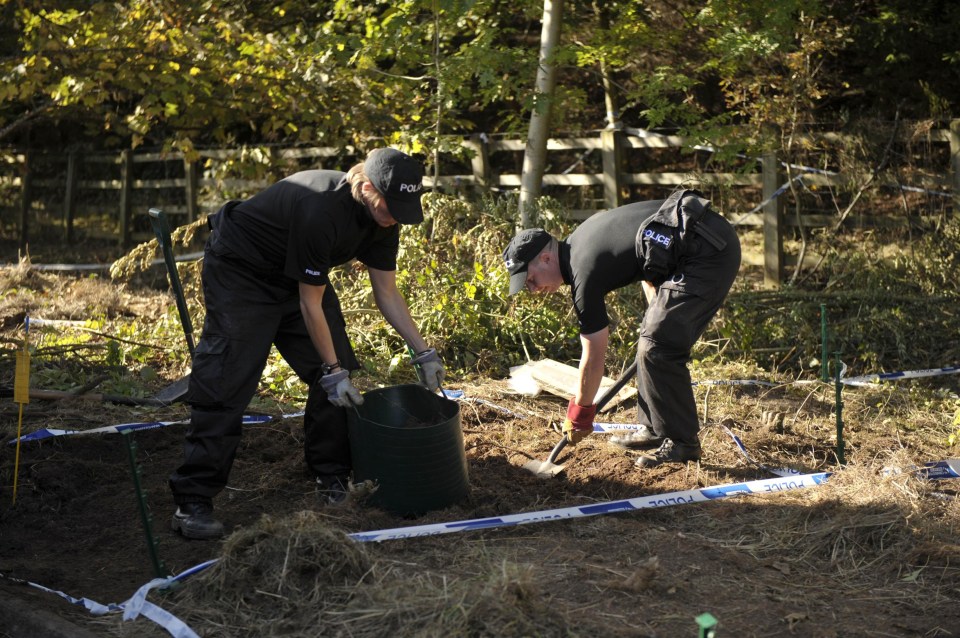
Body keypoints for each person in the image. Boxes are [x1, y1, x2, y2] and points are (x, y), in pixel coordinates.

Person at [169, 148, 445, 540]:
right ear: (366, 188)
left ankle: (329, 474)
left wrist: (423, 351)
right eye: (390, 205)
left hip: (294, 279)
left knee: (338, 369)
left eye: (403, 207)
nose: (395, 215)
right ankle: (192, 500)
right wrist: (331, 371)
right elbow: (309, 303)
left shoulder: (387, 217)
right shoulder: (322, 210)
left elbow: (386, 292)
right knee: (228, 377)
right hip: (241, 272)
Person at [502, 189, 740, 468]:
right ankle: (653, 427)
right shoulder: (580, 242)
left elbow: (593, 358)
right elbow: (643, 255)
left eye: (529, 279)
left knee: (658, 345)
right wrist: (657, 313)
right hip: (696, 241)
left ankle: (682, 443)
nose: (531, 289)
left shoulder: (583, 274)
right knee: (653, 338)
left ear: (544, 258)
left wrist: (580, 414)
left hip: (709, 253)